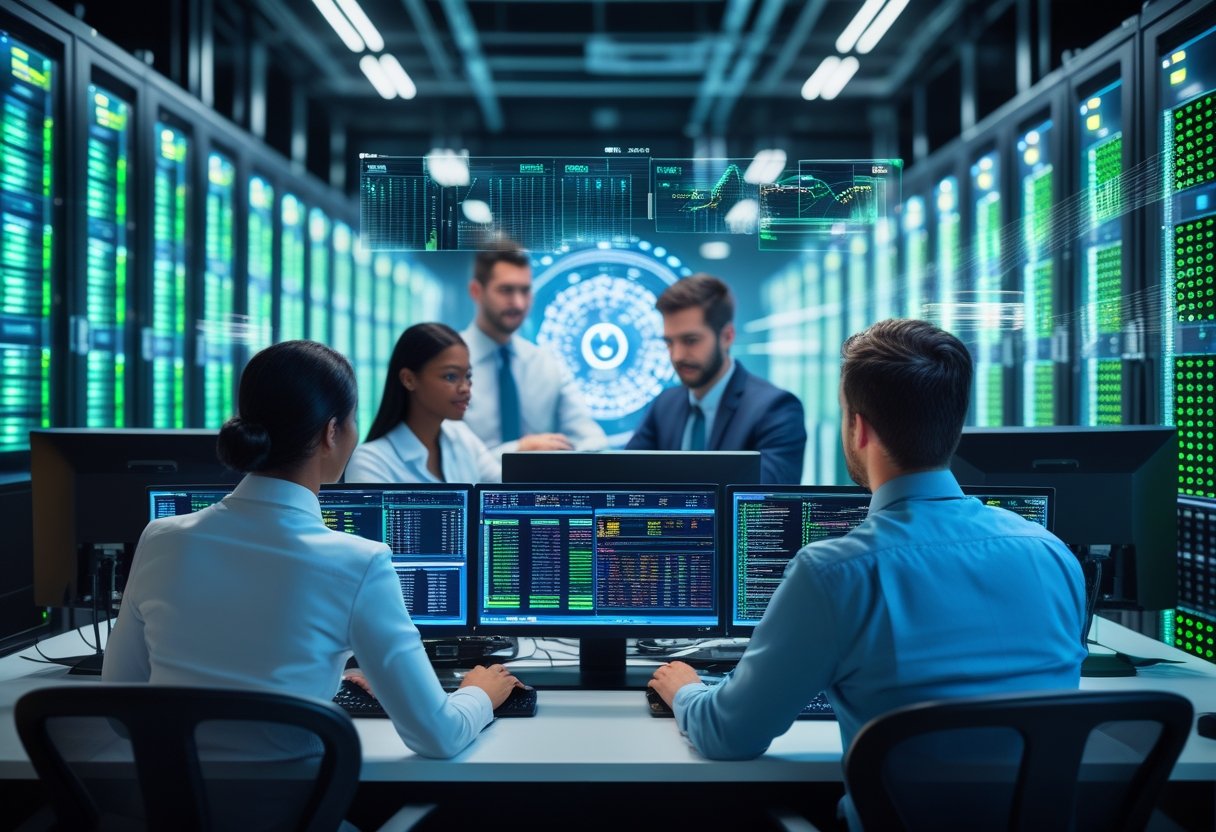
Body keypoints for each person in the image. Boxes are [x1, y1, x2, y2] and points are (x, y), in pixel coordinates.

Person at [648, 320, 1085, 821]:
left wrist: (684, 688)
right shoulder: (1053, 555)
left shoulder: (834, 574)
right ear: (955, 423)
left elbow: (729, 735)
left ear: (858, 428)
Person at [103, 340, 523, 759]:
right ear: (331, 432)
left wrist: (330, 668)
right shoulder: (360, 563)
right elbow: (440, 737)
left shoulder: (161, 539)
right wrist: (479, 694)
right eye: (353, 421)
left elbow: (120, 714)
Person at [626, 274, 807, 484]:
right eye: (669, 342)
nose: (676, 356)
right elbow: (625, 478)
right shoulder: (665, 405)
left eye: (690, 340)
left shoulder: (776, 409)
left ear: (727, 336)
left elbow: (768, 503)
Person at [459, 238, 607, 461]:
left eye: (525, 290)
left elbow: (594, 442)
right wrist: (518, 451)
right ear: (476, 291)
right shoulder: (444, 364)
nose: (518, 303)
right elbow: (442, 460)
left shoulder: (547, 364)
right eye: (506, 290)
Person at [345, 323, 499, 484]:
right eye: (451, 377)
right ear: (409, 379)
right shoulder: (370, 463)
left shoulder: (461, 436)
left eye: (468, 376)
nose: (465, 388)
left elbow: (505, 486)